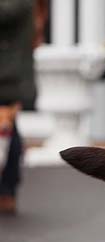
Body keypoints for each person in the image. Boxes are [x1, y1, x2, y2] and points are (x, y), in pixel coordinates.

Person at [0, 0, 46, 215]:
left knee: (7, 132)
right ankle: (7, 189)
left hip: (7, 77)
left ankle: (7, 189)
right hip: (9, 74)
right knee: (9, 131)